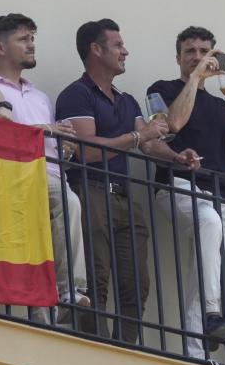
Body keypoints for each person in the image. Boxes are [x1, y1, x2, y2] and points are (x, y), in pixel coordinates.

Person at [55, 19, 167, 342]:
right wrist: (136, 135)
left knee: (136, 285)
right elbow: (85, 152)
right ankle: (98, 349)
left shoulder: (127, 100)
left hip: (123, 197)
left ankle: (125, 353)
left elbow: (149, 143)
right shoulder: (76, 94)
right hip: (89, 191)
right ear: (96, 49)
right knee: (96, 277)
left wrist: (176, 157)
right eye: (118, 45)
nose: (125, 51)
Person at [0, 13, 88, 323]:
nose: (31, 45)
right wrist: (45, 130)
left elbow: (48, 143)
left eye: (32, 38)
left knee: (49, 231)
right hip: (11, 173)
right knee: (69, 203)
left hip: (49, 173)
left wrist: (67, 150)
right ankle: (70, 290)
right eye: (23, 39)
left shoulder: (40, 96)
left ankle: (48, 313)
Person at [148, 27, 225, 352]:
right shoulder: (162, 88)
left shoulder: (220, 107)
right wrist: (195, 79)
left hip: (222, 195)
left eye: (205, 51)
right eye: (191, 51)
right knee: (209, 225)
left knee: (202, 272)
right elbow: (173, 124)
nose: (198, 57)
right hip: (179, 185)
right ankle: (212, 313)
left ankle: (196, 352)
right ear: (178, 57)